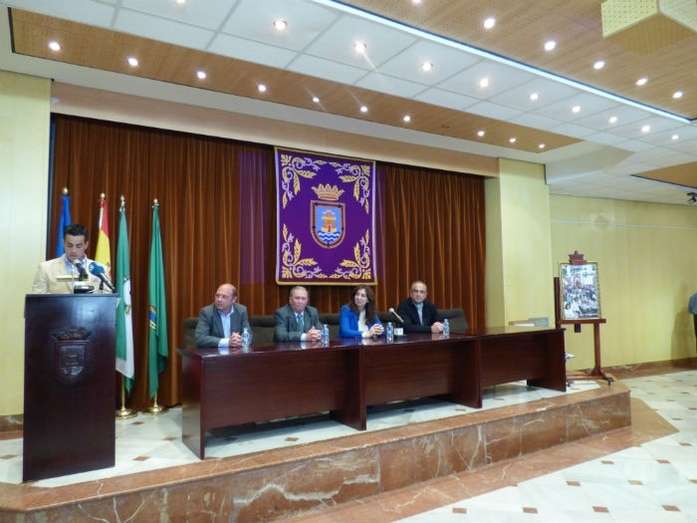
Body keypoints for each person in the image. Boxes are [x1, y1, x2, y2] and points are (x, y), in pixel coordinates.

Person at [32, 223, 105, 294]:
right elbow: (37, 298)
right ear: (63, 243)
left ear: (86, 245)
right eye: (69, 245)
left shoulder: (100, 269)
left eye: (78, 246)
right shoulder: (45, 268)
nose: (73, 250)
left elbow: (107, 297)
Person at [195, 283, 250, 348]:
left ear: (233, 300)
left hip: (236, 352)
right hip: (215, 352)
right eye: (217, 295)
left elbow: (248, 334)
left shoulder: (241, 311)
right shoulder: (207, 312)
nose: (219, 299)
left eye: (224, 297)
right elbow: (200, 338)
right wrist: (227, 342)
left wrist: (241, 340)